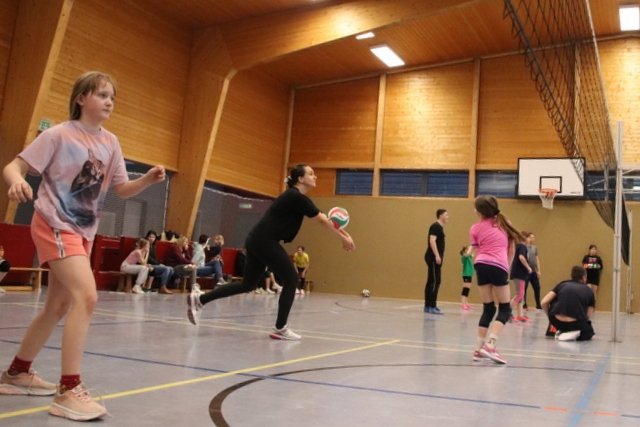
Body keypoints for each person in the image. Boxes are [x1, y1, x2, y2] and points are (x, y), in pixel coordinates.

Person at [0, 71, 165, 421]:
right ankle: (68, 390)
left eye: (112, 97)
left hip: (83, 232)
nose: (109, 102)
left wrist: (147, 180)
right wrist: (15, 182)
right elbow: (14, 166)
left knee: (58, 305)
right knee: (86, 297)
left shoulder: (111, 142)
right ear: (80, 98)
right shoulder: (58, 134)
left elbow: (121, 189)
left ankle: (17, 373)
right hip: (54, 224)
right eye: (102, 95)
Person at [187, 164, 356, 340]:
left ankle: (200, 299)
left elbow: (324, 218)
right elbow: (322, 220)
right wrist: (344, 237)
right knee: (291, 278)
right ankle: (280, 328)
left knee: (248, 285)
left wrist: (345, 235)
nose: (315, 177)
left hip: (256, 240)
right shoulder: (295, 196)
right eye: (311, 174)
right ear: (300, 179)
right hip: (265, 241)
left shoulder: (296, 198)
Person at [469, 195, 523, 365]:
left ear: (479, 211)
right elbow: (511, 250)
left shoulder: (475, 228)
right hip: (498, 265)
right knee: (505, 308)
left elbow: (475, 250)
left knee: (488, 308)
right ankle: (491, 345)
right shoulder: (503, 224)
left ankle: (478, 349)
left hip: (480, 265)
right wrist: (507, 269)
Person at [541, 265, 596, 341]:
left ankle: (562, 331)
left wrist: (550, 317)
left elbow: (544, 302)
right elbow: (588, 315)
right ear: (584, 277)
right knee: (589, 331)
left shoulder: (562, 284)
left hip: (556, 321)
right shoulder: (589, 290)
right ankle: (571, 333)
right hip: (574, 324)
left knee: (555, 300)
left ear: (571, 276)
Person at [423, 208, 448, 314]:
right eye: (446, 215)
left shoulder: (439, 228)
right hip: (433, 258)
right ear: (440, 215)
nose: (447, 217)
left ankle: (428, 306)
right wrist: (437, 255)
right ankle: (431, 306)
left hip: (434, 258)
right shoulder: (436, 226)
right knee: (435, 281)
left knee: (431, 281)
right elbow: (432, 241)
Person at [509, 234, 532, 323]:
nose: (531, 239)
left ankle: (520, 315)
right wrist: (528, 267)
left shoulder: (518, 246)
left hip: (518, 273)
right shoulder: (522, 246)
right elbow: (521, 257)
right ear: (524, 238)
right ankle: (507, 312)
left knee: (520, 294)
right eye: (529, 237)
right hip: (519, 274)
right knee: (520, 294)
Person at [144, 230, 174, 294]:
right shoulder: (145, 244)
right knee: (167, 269)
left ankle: (163, 285)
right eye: (150, 237)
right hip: (147, 264)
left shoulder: (153, 246)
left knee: (171, 269)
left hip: (154, 264)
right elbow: (148, 258)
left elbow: (154, 258)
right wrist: (158, 264)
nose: (151, 238)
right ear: (147, 237)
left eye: (153, 237)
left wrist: (159, 264)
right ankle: (162, 287)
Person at [523, 231, 542, 310]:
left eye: (533, 237)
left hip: (534, 272)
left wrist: (538, 271)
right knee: (524, 288)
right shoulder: (523, 247)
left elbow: (537, 259)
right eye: (531, 237)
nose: (532, 239)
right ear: (527, 238)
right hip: (526, 271)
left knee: (537, 287)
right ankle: (524, 304)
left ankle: (538, 304)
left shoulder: (535, 248)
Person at [459, 245, 473, 311]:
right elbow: (466, 255)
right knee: (465, 289)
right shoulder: (464, 257)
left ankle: (466, 303)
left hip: (469, 274)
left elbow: (470, 255)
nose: (469, 251)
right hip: (466, 275)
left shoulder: (469, 257)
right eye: (467, 250)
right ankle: (463, 303)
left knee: (468, 289)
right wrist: (470, 248)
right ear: (464, 251)